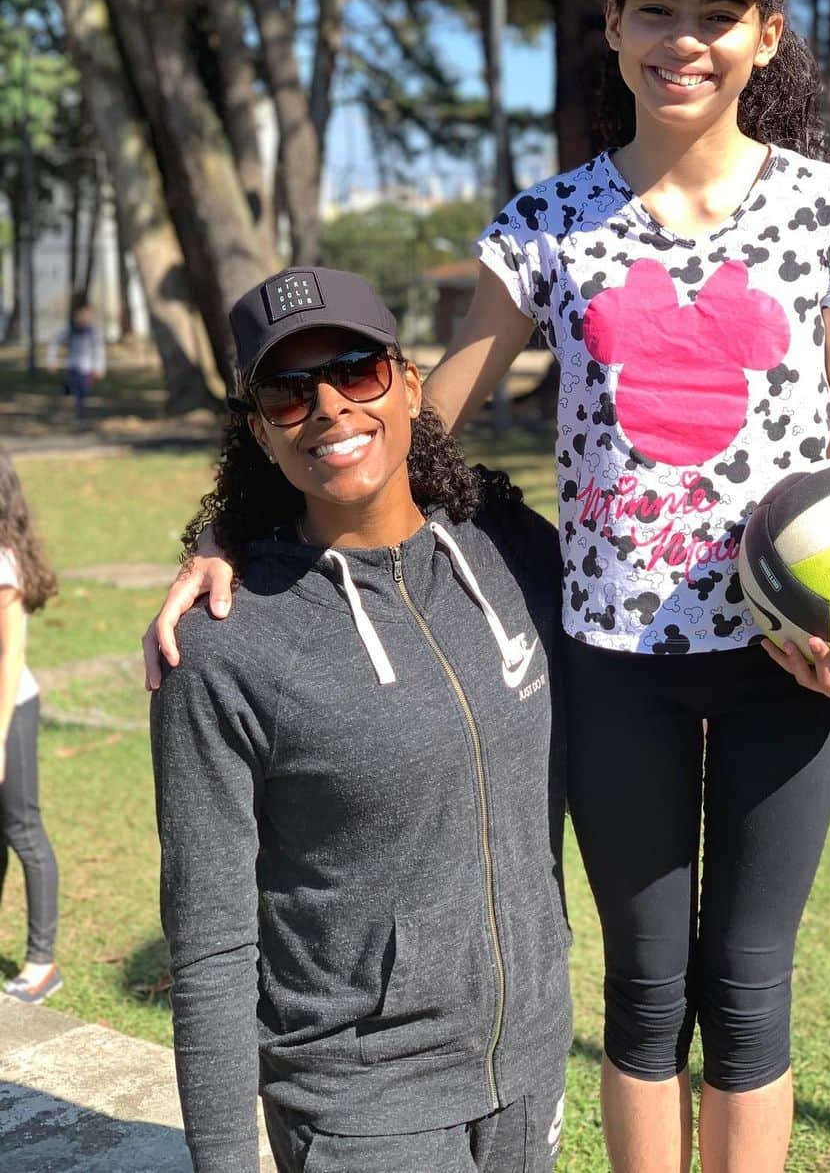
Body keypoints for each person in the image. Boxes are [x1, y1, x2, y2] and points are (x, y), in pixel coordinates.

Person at [146, 0, 830, 1173]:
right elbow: (419, 418)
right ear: (613, 26)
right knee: (645, 992)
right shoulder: (547, 226)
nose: (687, 38)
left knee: (749, 991)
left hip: (787, 663)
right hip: (611, 661)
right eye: (657, 8)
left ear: (767, 37)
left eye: (720, 13)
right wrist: (236, 523)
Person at [150, 266, 571, 1173]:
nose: (331, 407)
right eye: (289, 393)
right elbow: (212, 944)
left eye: (357, 370)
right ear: (261, 433)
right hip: (360, 1104)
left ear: (411, 383)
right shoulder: (224, 646)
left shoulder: (514, 560)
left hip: (533, 1061)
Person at [0, 448, 62, 1004]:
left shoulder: (4, 562)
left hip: (9, 709)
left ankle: (42, 963)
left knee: (24, 831)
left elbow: (10, 656)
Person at [47, 298, 106, 426]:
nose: (84, 317)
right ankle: (78, 416)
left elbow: (99, 350)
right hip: (73, 366)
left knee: (83, 391)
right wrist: (51, 361)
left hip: (87, 368)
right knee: (77, 392)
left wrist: (100, 367)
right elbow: (54, 342)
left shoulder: (93, 332)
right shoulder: (70, 331)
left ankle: (77, 412)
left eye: (87, 314)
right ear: (75, 316)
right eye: (81, 314)